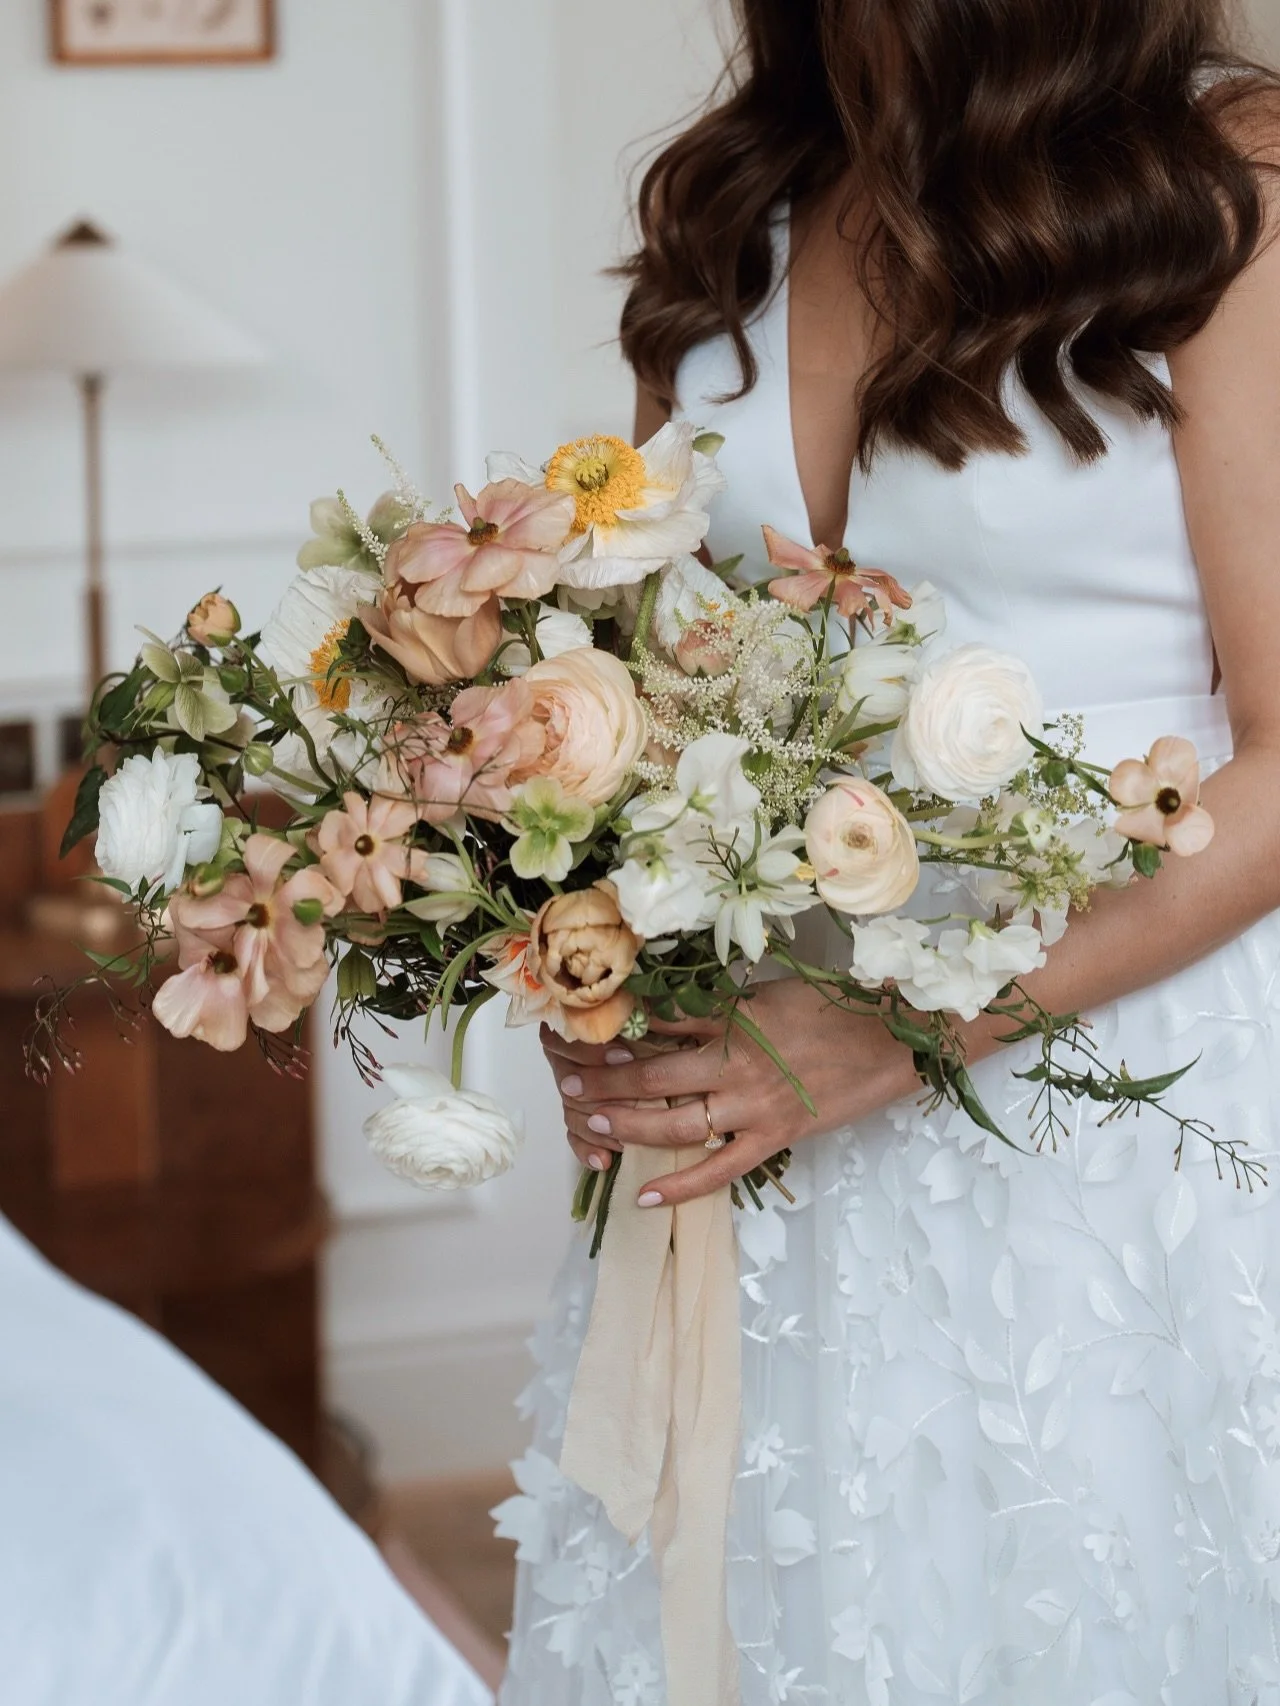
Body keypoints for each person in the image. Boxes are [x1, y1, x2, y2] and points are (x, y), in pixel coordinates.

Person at [499, 3, 1280, 1700]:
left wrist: (905, 1032)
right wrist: (595, 957)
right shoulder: (731, 206)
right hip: (764, 1092)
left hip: (1118, 1090)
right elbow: (637, 682)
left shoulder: (1227, 181)